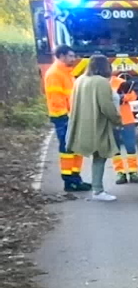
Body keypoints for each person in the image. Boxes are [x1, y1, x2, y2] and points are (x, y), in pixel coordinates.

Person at [67, 55, 123, 202]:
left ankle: (97, 188)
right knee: (100, 156)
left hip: (84, 124)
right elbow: (106, 106)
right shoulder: (101, 82)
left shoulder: (80, 80)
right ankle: (98, 190)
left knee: (98, 156)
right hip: (99, 124)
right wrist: (117, 120)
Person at [43, 46, 91, 192]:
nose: (74, 59)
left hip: (71, 116)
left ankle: (75, 178)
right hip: (63, 117)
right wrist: (66, 116)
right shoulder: (55, 74)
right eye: (70, 56)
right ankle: (69, 181)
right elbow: (56, 99)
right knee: (67, 150)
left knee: (76, 148)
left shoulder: (66, 72)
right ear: (61, 56)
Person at [109, 72, 138, 184]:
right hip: (111, 121)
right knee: (115, 148)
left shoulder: (120, 82)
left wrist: (123, 97)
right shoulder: (101, 84)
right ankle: (120, 172)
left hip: (126, 119)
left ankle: (133, 172)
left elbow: (133, 96)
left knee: (130, 147)